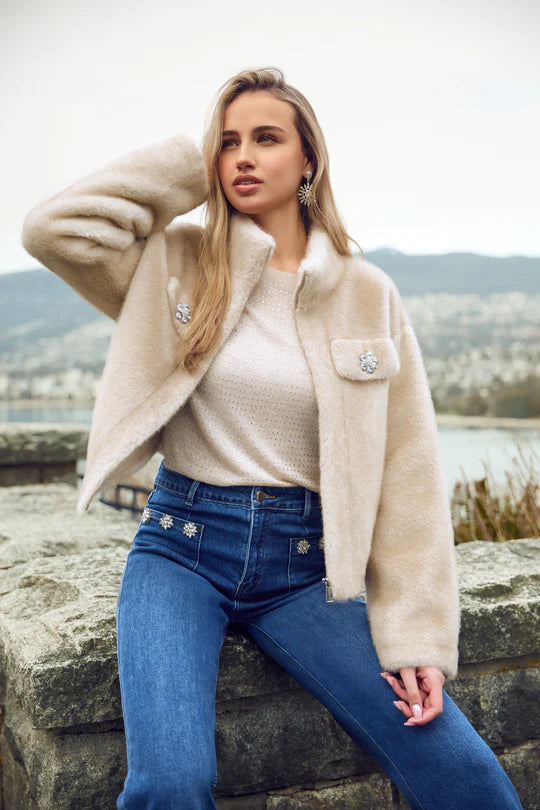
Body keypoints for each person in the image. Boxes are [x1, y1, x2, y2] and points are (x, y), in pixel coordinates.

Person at [21, 67, 523, 810]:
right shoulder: (180, 263)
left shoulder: (367, 292)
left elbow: (407, 473)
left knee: (468, 776)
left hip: (304, 569)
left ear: (309, 158)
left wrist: (417, 640)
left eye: (265, 138)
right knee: (169, 782)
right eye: (227, 143)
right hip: (181, 550)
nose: (243, 157)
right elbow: (52, 229)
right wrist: (191, 165)